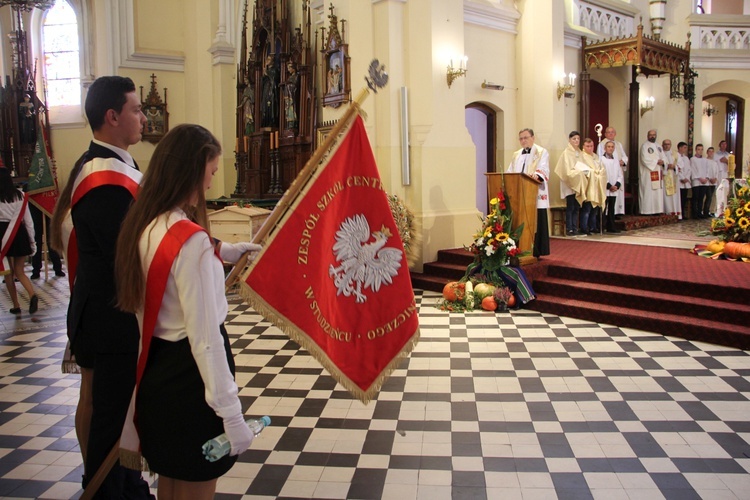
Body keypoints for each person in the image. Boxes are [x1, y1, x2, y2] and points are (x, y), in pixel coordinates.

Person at [115, 124, 261, 498]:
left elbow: (178, 250)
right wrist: (231, 413)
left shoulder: (145, 224)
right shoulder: (191, 242)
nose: (212, 183)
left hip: (159, 376)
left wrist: (225, 251)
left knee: (172, 485)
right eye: (211, 172)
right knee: (195, 488)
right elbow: (206, 341)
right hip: (192, 385)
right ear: (194, 171)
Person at [65, 75, 152, 498]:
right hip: (108, 315)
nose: (143, 116)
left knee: (106, 404)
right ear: (112, 116)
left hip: (103, 309)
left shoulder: (114, 164)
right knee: (108, 412)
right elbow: (126, 249)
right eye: (136, 109)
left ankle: (121, 481)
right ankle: (104, 488)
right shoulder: (104, 174)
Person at [506, 128, 550, 258]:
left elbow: (543, 169)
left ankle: (536, 250)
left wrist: (535, 176)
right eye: (521, 138)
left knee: (536, 221)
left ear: (533, 138)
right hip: (519, 194)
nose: (523, 140)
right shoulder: (516, 154)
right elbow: (510, 171)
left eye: (526, 137)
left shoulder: (541, 152)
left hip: (534, 193)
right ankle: (518, 249)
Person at [0, 167, 38, 315]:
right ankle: (32, 294)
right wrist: (32, 242)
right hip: (19, 233)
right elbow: (28, 222)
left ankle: (16, 305)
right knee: (20, 271)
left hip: (3, 235)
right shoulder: (21, 196)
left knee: (9, 273)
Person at [554, 131, 587, 236]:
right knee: (571, 206)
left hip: (578, 182)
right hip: (569, 183)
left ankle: (575, 227)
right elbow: (566, 170)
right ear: (570, 140)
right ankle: (569, 229)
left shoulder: (580, 153)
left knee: (577, 207)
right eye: (574, 139)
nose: (576, 141)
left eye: (578, 139)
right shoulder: (566, 153)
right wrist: (576, 173)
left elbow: (583, 165)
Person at [596, 127, 628, 217]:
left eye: (612, 132)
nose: (610, 134)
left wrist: (623, 161)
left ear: (615, 134)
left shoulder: (618, 144)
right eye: (608, 132)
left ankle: (617, 213)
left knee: (615, 200)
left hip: (617, 173)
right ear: (605, 134)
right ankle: (606, 218)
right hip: (607, 177)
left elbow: (624, 156)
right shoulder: (601, 144)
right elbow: (600, 161)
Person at [29, 203, 65, 279]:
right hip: (35, 208)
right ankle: (36, 270)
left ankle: (57, 268)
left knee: (51, 240)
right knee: (36, 242)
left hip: (48, 209)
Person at [581, 138, 607, 235]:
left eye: (591, 146)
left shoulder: (596, 157)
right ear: (583, 146)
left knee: (595, 209)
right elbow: (582, 169)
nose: (590, 148)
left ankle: (593, 226)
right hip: (589, 185)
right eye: (588, 146)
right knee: (587, 208)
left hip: (597, 185)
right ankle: (584, 227)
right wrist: (593, 174)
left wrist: (600, 174)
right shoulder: (582, 157)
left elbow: (603, 169)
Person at [638, 129, 664, 215]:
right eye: (651, 135)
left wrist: (663, 161)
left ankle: (657, 210)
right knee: (648, 191)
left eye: (654, 135)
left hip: (658, 171)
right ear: (647, 136)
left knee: (657, 192)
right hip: (648, 173)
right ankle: (647, 210)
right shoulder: (645, 146)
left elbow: (664, 157)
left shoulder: (659, 146)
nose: (652, 136)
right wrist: (656, 161)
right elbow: (644, 159)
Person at [601, 141, 623, 233]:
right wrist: (609, 185)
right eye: (608, 146)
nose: (610, 148)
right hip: (606, 187)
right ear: (605, 148)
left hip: (614, 188)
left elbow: (620, 174)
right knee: (603, 207)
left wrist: (617, 185)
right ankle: (602, 226)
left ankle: (611, 226)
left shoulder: (615, 160)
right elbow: (601, 174)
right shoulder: (601, 159)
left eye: (612, 147)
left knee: (611, 208)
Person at [660, 139, 682, 219]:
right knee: (665, 195)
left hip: (673, 177)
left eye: (668, 144)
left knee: (674, 196)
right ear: (662, 145)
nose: (666, 145)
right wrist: (665, 166)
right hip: (664, 177)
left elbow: (681, 165)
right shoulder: (660, 153)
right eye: (665, 144)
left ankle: (675, 212)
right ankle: (666, 212)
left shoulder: (676, 154)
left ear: (671, 145)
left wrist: (674, 167)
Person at [690, 143, 709, 219]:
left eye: (701, 149)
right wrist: (699, 178)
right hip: (696, 181)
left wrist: (706, 178)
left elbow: (707, 169)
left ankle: (699, 212)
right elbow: (693, 170)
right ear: (696, 150)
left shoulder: (705, 160)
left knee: (701, 198)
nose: (700, 151)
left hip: (704, 181)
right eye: (698, 149)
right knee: (695, 198)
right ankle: (694, 214)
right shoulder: (692, 159)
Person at [261, 55, 279, 128]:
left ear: (273, 61)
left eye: (269, 59)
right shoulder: (267, 70)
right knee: (265, 105)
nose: (267, 60)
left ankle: (272, 120)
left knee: (271, 105)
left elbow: (275, 79)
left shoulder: (275, 70)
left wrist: (267, 73)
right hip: (266, 89)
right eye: (267, 59)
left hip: (272, 90)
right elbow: (262, 82)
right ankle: (265, 121)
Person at [284, 61, 299, 130]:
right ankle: (289, 122)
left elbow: (295, 85)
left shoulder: (296, 76)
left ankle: (293, 123)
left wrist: (288, 84)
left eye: (289, 68)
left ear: (294, 68)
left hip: (292, 96)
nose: (288, 69)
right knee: (288, 109)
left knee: (292, 109)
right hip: (288, 96)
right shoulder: (290, 77)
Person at [705, 146, 719, 217]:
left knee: (712, 197)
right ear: (707, 152)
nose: (711, 153)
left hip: (714, 182)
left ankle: (711, 210)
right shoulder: (705, 161)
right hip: (707, 182)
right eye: (709, 151)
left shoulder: (715, 162)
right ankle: (705, 211)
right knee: (708, 197)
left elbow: (717, 171)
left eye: (712, 151)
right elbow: (705, 171)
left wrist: (715, 178)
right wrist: (710, 178)